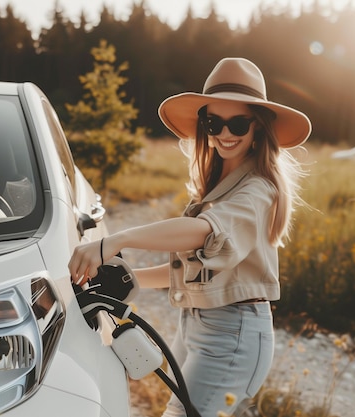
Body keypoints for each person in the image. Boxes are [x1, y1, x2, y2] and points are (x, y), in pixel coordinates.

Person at [68, 57, 311, 417]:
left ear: (258, 127)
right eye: (214, 123)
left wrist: (117, 240)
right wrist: (125, 280)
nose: (225, 134)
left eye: (238, 123)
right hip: (198, 326)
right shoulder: (216, 190)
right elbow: (193, 272)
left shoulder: (259, 189)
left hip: (233, 335)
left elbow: (204, 233)